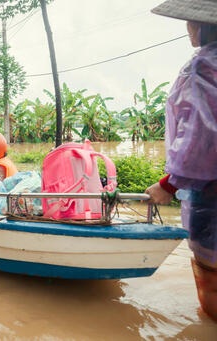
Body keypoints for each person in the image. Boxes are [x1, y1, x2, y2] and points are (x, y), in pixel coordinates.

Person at [146, 0, 217, 322]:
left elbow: (202, 136)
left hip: (211, 196)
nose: (187, 29)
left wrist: (169, 184)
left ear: (203, 27)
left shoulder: (204, 66)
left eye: (191, 22)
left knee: (212, 281)